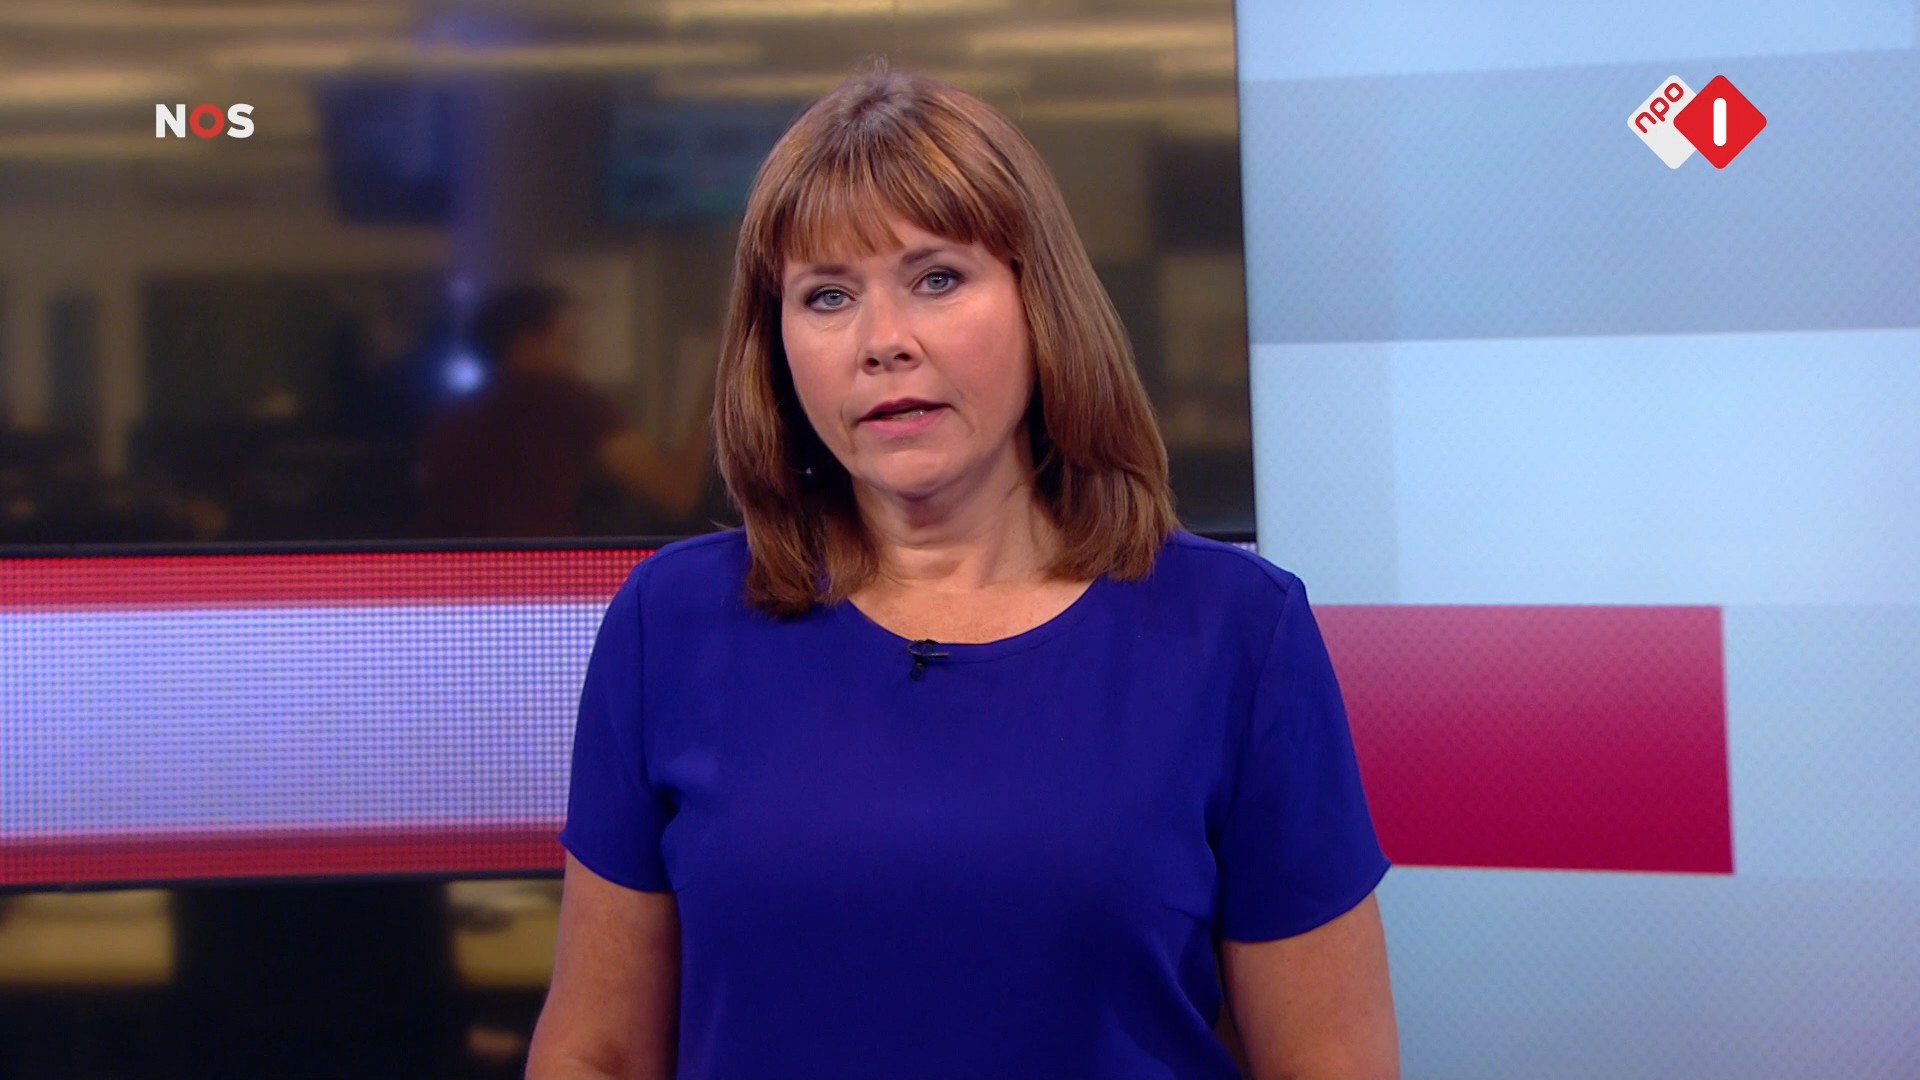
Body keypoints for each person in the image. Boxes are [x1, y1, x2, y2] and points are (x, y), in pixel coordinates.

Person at [528, 67, 1396, 1080]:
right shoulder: (670, 624)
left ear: (1039, 301)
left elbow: (1330, 1062)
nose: (882, 343)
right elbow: (595, 1052)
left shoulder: (1236, 632)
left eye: (937, 279)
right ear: (777, 346)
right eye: (827, 296)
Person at [417, 284, 709, 539]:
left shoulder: (452, 412)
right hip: (544, 573)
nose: (577, 360)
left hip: (453, 573)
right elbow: (674, 495)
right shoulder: (560, 398)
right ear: (526, 344)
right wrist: (714, 391)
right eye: (569, 344)